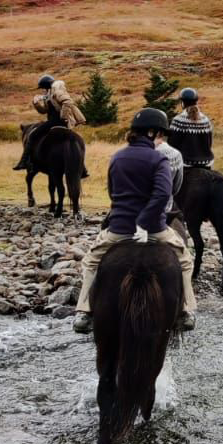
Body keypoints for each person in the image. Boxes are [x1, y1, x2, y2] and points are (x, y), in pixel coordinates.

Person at [73, 109, 198, 334]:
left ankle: (84, 312)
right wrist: (143, 222)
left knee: (91, 260)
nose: (161, 140)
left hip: (119, 229)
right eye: (161, 135)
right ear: (151, 133)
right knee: (185, 259)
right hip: (155, 229)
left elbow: (112, 192)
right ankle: (186, 311)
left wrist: (127, 216)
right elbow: (162, 194)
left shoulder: (117, 157)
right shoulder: (158, 158)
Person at [12, 74, 84, 172]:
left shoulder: (57, 90)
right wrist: (36, 104)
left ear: (47, 85)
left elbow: (67, 102)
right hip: (54, 121)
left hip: (56, 121)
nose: (43, 90)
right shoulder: (49, 93)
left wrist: (63, 116)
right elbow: (44, 111)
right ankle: (82, 168)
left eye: (44, 87)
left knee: (33, 135)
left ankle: (24, 161)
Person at [166, 87, 214, 169]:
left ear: (182, 103)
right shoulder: (206, 120)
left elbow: (171, 145)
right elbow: (209, 144)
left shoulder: (178, 120)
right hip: (206, 164)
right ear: (196, 101)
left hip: (185, 164)